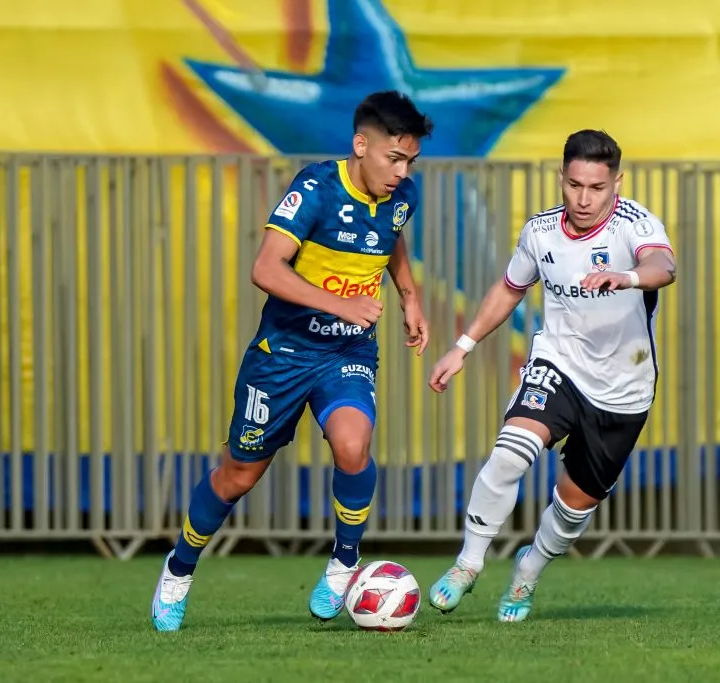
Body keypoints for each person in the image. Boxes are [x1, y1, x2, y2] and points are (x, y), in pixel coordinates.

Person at [151, 91, 433, 632]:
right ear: (360, 145)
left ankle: (345, 562)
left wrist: (410, 296)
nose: (402, 172)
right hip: (282, 354)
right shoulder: (316, 188)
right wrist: (344, 303)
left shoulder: (403, 197)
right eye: (393, 159)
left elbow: (390, 236)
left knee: (354, 445)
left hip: (347, 350)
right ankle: (179, 570)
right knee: (238, 475)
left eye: (409, 162)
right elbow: (266, 268)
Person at [426, 129, 677, 623]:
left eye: (597, 188)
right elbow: (509, 289)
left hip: (624, 389)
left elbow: (662, 266)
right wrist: (462, 347)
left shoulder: (635, 224)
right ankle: (467, 565)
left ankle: (528, 572)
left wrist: (624, 276)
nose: (584, 199)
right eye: (575, 185)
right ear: (561, 178)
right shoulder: (539, 232)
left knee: (572, 508)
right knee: (510, 453)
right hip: (558, 364)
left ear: (616, 184)